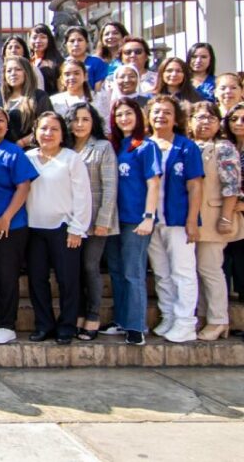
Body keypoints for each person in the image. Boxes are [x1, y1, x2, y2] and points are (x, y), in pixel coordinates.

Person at [25, 111, 92, 344]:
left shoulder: (71, 159)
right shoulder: (28, 157)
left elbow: (83, 196)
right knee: (37, 280)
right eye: (43, 128)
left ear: (63, 134)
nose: (48, 133)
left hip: (64, 229)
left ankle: (67, 326)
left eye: (54, 129)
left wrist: (77, 228)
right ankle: (44, 325)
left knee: (68, 280)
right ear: (35, 132)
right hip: (33, 229)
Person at [0, 106, 39, 345]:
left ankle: (6, 323)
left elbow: (24, 186)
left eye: (0, 120)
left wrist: (7, 217)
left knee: (6, 275)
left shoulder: (13, 152)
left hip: (9, 225)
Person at [100, 97, 161, 346]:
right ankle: (121, 321)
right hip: (113, 218)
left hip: (135, 219)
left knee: (133, 272)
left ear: (138, 116)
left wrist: (149, 216)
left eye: (128, 113)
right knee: (116, 271)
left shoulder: (146, 146)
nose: (124, 118)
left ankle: (136, 326)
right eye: (119, 114)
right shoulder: (114, 146)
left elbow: (153, 182)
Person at [146, 95, 204, 343]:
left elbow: (195, 185)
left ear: (176, 117)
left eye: (167, 112)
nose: (161, 116)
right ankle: (169, 315)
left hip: (178, 220)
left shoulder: (186, 147)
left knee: (183, 271)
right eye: (157, 112)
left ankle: (186, 322)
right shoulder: (144, 145)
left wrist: (192, 219)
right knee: (161, 271)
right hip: (151, 221)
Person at [66, 103, 118, 342]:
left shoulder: (103, 147)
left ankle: (93, 315)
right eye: (75, 119)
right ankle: (77, 314)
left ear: (93, 122)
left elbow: (109, 187)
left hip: (96, 219)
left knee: (90, 267)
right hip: (70, 219)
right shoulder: (65, 147)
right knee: (73, 269)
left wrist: (103, 221)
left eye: (85, 119)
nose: (79, 124)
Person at [188, 101, 240, 340]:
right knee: (197, 269)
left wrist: (226, 217)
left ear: (219, 123)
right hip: (192, 218)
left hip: (214, 217)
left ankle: (219, 319)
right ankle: (203, 314)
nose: (205, 122)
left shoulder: (224, 148)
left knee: (210, 268)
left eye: (210, 118)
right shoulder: (190, 146)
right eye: (199, 117)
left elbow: (232, 186)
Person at [1, 56, 52, 148]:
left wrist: (22, 143)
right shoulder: (0, 98)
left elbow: (48, 125)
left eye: (18, 69)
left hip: (31, 151)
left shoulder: (39, 96)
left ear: (27, 73)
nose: (13, 73)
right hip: (4, 151)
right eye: (9, 71)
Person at [221, 103, 244, 308]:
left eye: (243, 119)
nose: (238, 124)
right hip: (230, 210)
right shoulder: (226, 147)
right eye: (234, 119)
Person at [63, 26, 108, 93]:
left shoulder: (96, 63)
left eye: (80, 40)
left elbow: (98, 91)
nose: (76, 44)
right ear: (66, 45)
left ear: (87, 43)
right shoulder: (61, 64)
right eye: (72, 41)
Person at [28, 23, 65, 96]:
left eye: (43, 37)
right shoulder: (27, 61)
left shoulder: (58, 62)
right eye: (34, 37)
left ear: (49, 40)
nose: (38, 41)